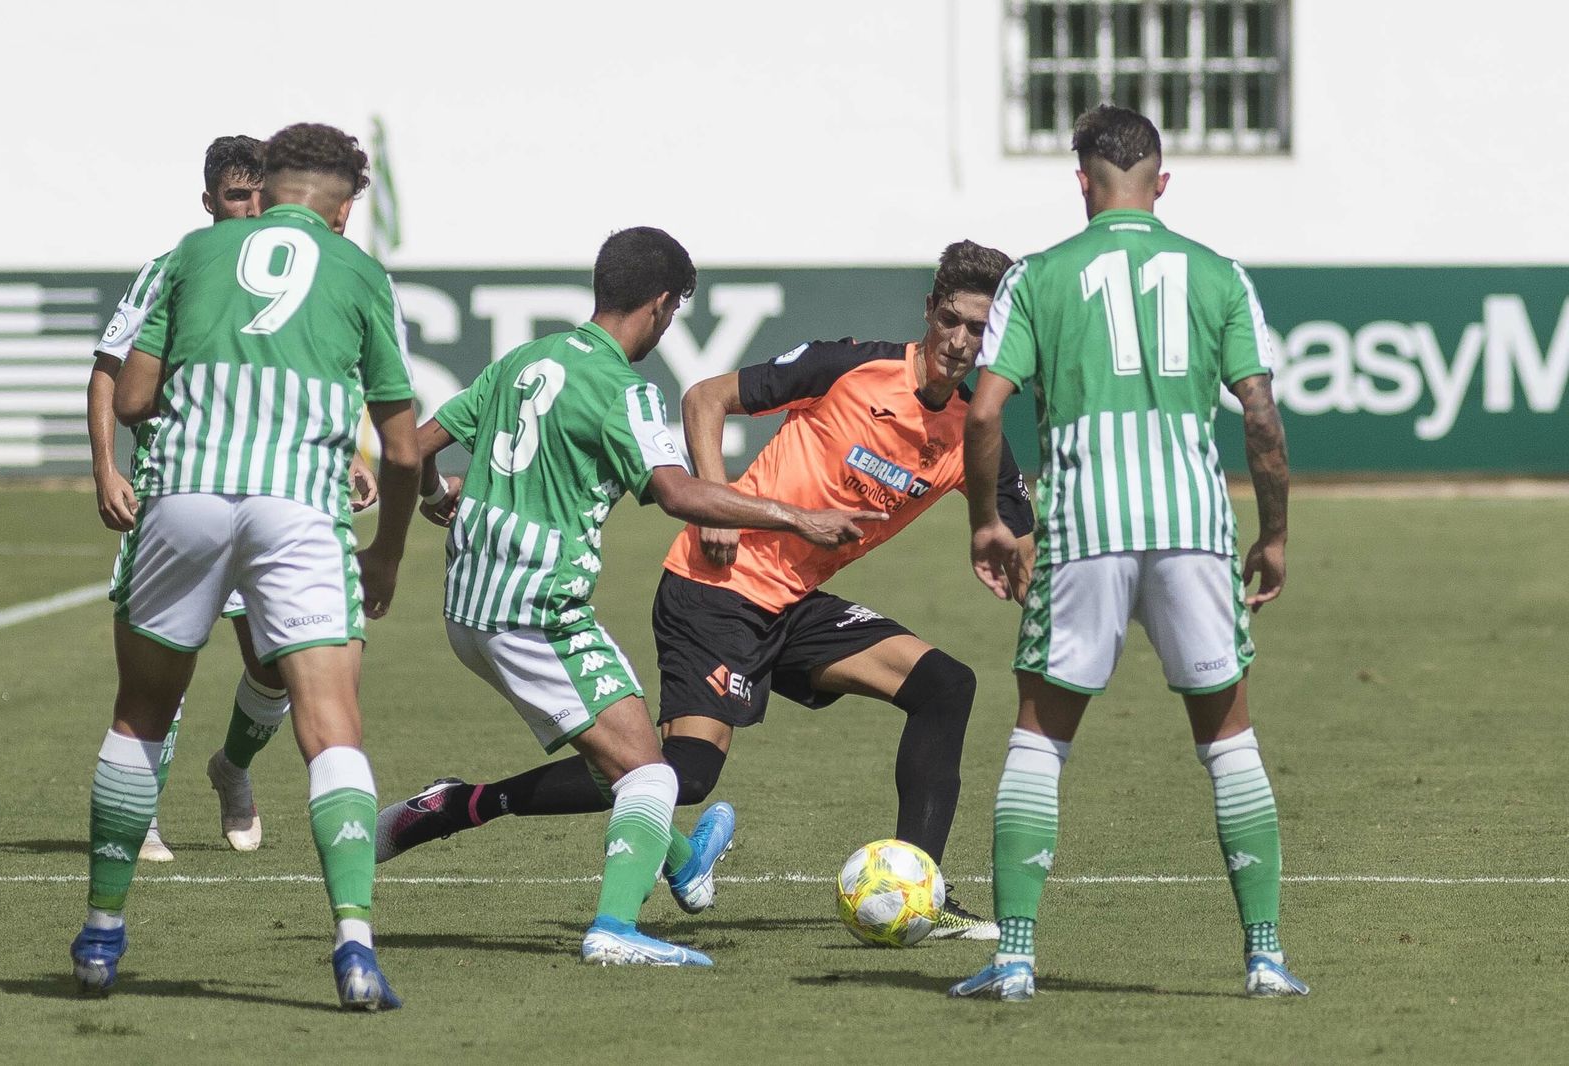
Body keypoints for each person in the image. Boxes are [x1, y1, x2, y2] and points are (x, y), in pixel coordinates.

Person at [378, 240, 1036, 939]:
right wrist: (715, 503)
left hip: (792, 602)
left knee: (944, 686)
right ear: (929, 311)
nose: (960, 342)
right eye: (951, 321)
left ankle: (920, 890)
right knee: (681, 777)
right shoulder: (851, 366)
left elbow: (1024, 546)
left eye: (978, 329)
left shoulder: (977, 433)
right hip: (714, 589)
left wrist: (1049, 597)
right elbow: (706, 396)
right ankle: (467, 803)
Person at [947, 105, 1306, 1000]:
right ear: (1161, 182)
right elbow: (1261, 417)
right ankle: (1264, 957)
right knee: (1229, 739)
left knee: (1040, 739)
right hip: (1193, 527)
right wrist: (1274, 534)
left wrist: (988, 522)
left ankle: (1016, 958)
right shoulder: (1220, 274)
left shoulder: (1037, 276)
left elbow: (984, 413)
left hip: (1082, 530)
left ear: (1082, 181)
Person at [71, 122, 420, 1011]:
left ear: (265, 186)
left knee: (139, 716)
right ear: (344, 206)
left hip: (184, 494)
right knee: (332, 732)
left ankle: (102, 935)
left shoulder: (191, 254)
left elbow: (134, 395)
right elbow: (402, 447)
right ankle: (354, 948)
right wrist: (385, 553)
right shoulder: (360, 273)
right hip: (297, 508)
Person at [87, 135, 379, 861]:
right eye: (234, 196)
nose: (249, 208)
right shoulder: (178, 265)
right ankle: (142, 816)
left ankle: (233, 767)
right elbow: (111, 373)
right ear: (209, 201)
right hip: (175, 491)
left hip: (271, 491)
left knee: (277, 665)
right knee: (164, 666)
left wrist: (344, 454)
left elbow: (309, 377)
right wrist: (106, 470)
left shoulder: (301, 270)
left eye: (257, 194)